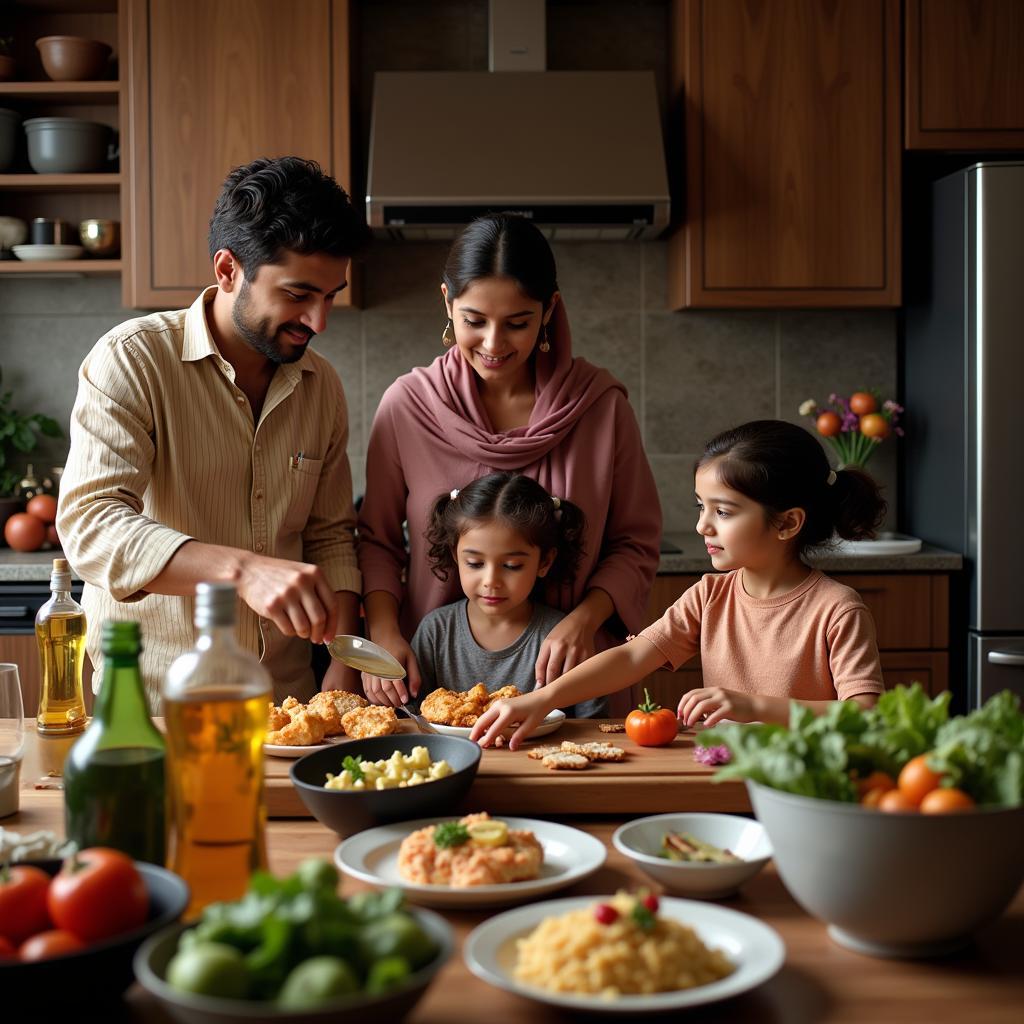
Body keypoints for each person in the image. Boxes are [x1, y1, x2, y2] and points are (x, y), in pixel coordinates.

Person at [56, 156, 370, 707]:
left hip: (286, 709)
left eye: (330, 296)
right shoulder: (132, 360)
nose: (319, 322)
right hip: (154, 705)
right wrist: (242, 570)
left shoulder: (323, 387)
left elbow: (330, 537)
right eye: (298, 295)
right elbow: (91, 524)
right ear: (228, 270)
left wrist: (342, 666)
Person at [357, 213, 661, 706]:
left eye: (517, 323)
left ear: (548, 311)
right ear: (447, 303)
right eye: (474, 321)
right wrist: (385, 633)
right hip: (431, 679)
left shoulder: (601, 408)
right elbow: (377, 542)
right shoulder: (407, 406)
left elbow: (635, 544)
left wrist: (581, 624)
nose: (494, 345)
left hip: (571, 680)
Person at [472, 419, 888, 749]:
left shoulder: (838, 608)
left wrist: (753, 706)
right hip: (722, 771)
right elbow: (633, 657)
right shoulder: (710, 596)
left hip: (805, 784)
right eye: (700, 506)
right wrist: (541, 699)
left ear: (787, 523)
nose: (702, 525)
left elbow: (866, 715)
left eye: (723, 512)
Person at [409, 472, 602, 717]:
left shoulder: (562, 637)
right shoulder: (436, 631)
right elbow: (411, 718)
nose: (491, 582)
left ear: (545, 562)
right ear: (456, 555)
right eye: (475, 563)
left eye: (511, 566)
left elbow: (593, 723)